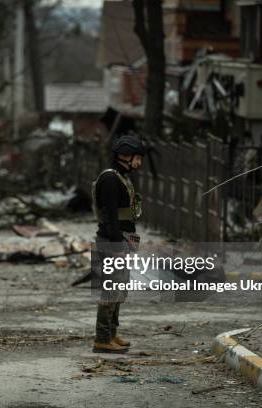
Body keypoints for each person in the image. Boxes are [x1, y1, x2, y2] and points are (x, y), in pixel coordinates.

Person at [92, 133, 144, 354]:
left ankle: (112, 333)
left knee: (120, 288)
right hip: (112, 241)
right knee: (111, 289)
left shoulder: (121, 176)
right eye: (137, 157)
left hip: (122, 239)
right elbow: (111, 216)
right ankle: (102, 338)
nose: (139, 162)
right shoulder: (111, 180)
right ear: (125, 156)